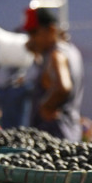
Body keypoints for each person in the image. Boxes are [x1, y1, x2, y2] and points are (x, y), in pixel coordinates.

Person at [22, 7, 84, 142]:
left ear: (51, 29)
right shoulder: (71, 50)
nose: (30, 39)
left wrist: (45, 107)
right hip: (70, 130)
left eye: (34, 33)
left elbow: (63, 87)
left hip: (54, 134)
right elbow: (48, 80)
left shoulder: (56, 54)